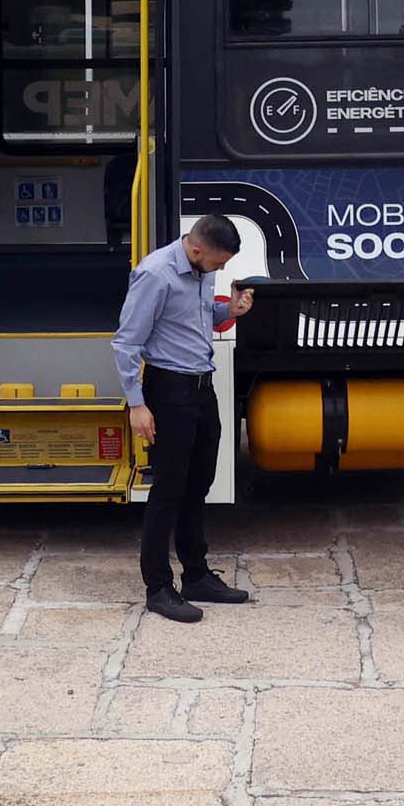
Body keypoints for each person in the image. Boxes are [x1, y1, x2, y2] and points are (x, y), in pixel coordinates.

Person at [113, 213, 255, 622]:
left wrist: (232, 310)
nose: (222, 268)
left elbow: (197, 317)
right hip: (168, 391)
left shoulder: (200, 271)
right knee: (168, 490)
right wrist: (136, 404)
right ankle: (158, 587)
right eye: (218, 261)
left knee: (199, 483)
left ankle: (196, 575)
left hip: (201, 388)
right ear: (195, 249)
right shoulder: (155, 274)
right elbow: (126, 343)